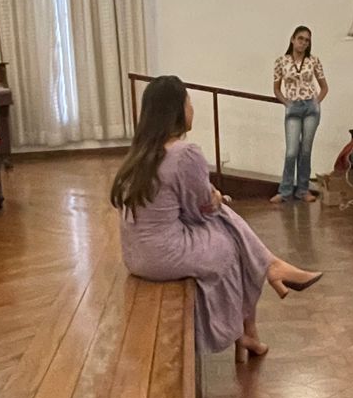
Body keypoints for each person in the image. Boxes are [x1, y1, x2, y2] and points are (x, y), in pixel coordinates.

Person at [114, 75, 322, 360]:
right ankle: (260, 294)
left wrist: (212, 198)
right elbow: (201, 211)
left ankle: (266, 284)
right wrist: (215, 197)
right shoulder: (184, 153)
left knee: (229, 231)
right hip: (164, 256)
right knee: (232, 242)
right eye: (188, 102)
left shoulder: (140, 153)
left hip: (136, 256)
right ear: (177, 110)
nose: (192, 108)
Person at [271, 25, 328, 203]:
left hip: (310, 107)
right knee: (291, 151)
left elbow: (324, 87)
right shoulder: (281, 61)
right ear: (292, 39)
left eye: (307, 40)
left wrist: (316, 102)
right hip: (293, 107)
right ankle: (285, 191)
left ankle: (303, 190)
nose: (303, 43)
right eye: (300, 38)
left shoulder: (313, 61)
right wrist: (286, 102)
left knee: (305, 150)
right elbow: (276, 88)